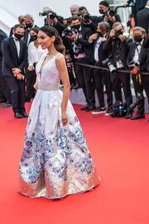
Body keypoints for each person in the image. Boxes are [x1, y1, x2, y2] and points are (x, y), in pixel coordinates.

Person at [18, 26, 100, 200]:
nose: (39, 41)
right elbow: (40, 78)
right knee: (37, 136)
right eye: (38, 38)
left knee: (57, 137)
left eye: (42, 37)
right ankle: (38, 179)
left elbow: (67, 84)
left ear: (53, 38)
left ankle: (61, 181)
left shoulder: (59, 57)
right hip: (40, 100)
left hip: (54, 101)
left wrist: (63, 110)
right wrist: (37, 84)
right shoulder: (43, 56)